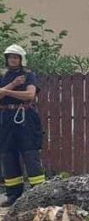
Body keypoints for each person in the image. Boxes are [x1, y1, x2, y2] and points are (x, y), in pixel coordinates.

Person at [0, 44, 44, 205]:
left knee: (30, 155)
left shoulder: (28, 75)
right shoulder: (3, 76)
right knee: (8, 156)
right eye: (10, 57)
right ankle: (13, 194)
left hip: (25, 118)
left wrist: (5, 92)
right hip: (6, 118)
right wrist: (11, 86)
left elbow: (30, 95)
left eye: (15, 57)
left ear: (21, 59)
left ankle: (38, 194)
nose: (12, 60)